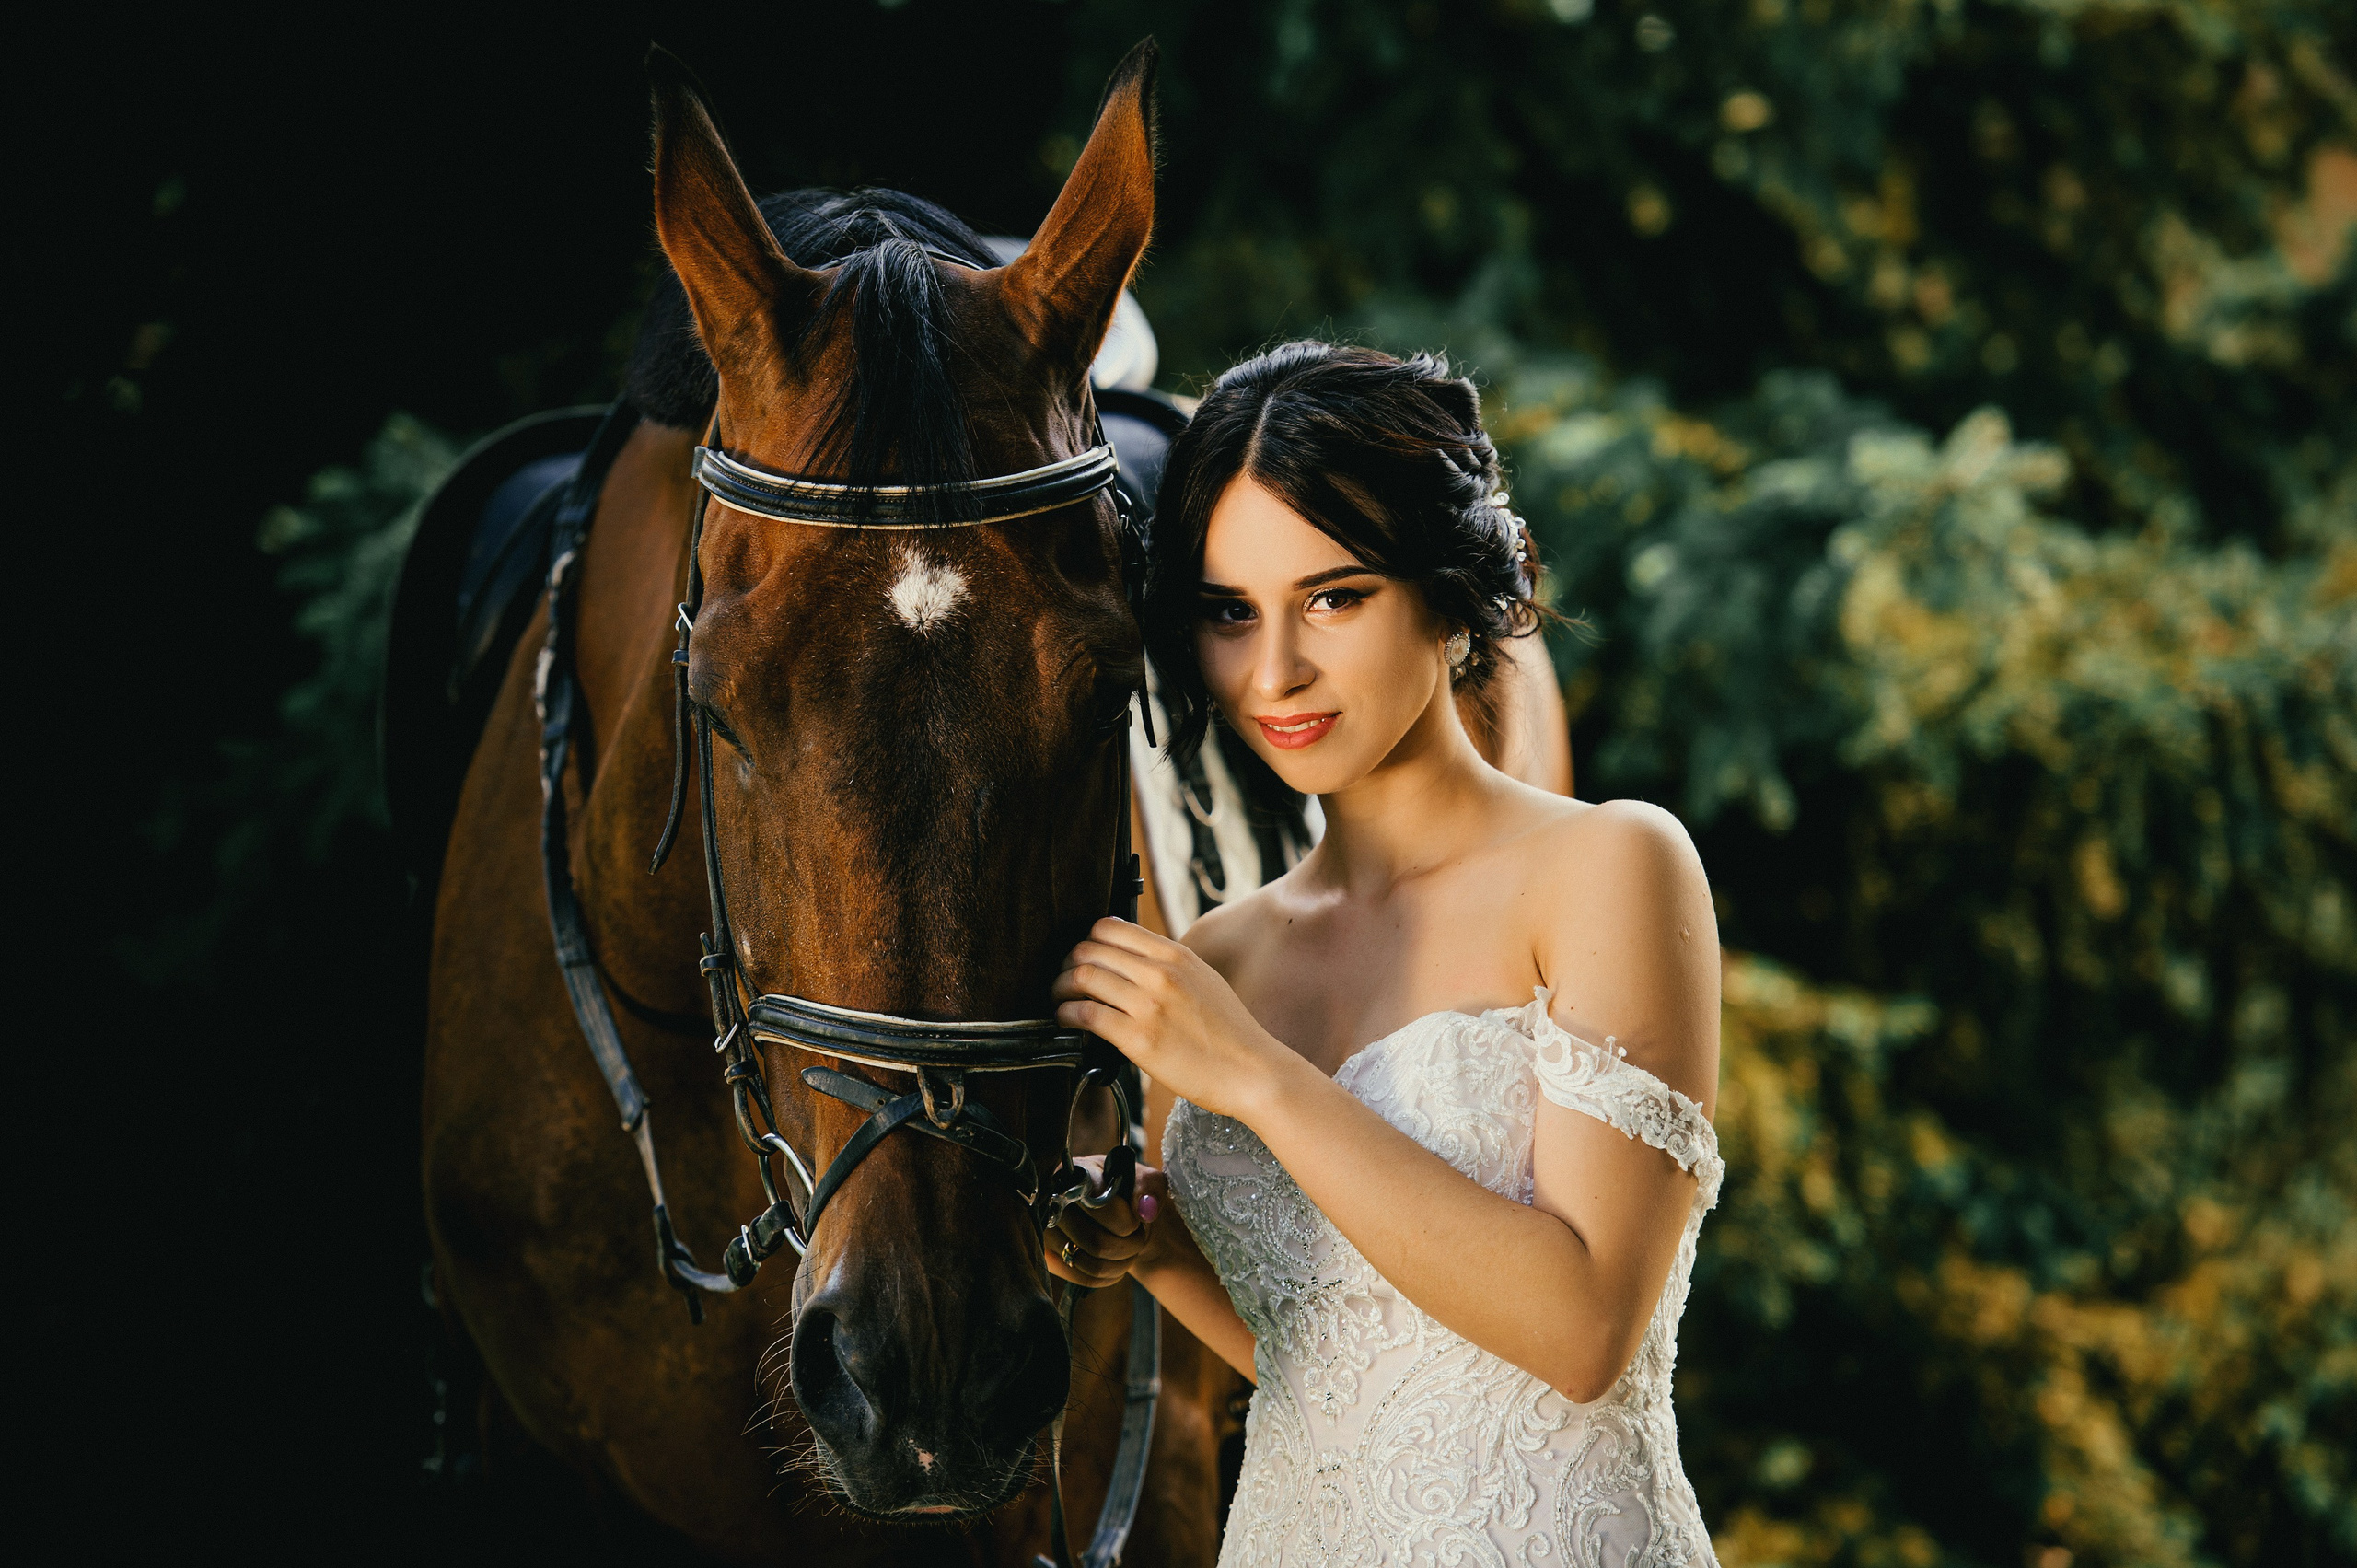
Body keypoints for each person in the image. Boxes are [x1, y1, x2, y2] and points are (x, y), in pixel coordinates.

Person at [1045, 343, 1724, 1566]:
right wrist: (1150, 1253)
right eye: (1229, 614)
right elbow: (1341, 1357)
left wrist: (1253, 1077)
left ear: (1447, 590)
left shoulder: (1611, 867)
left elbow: (1579, 1330)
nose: (1276, 672)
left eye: (1334, 597)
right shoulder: (1225, 958)